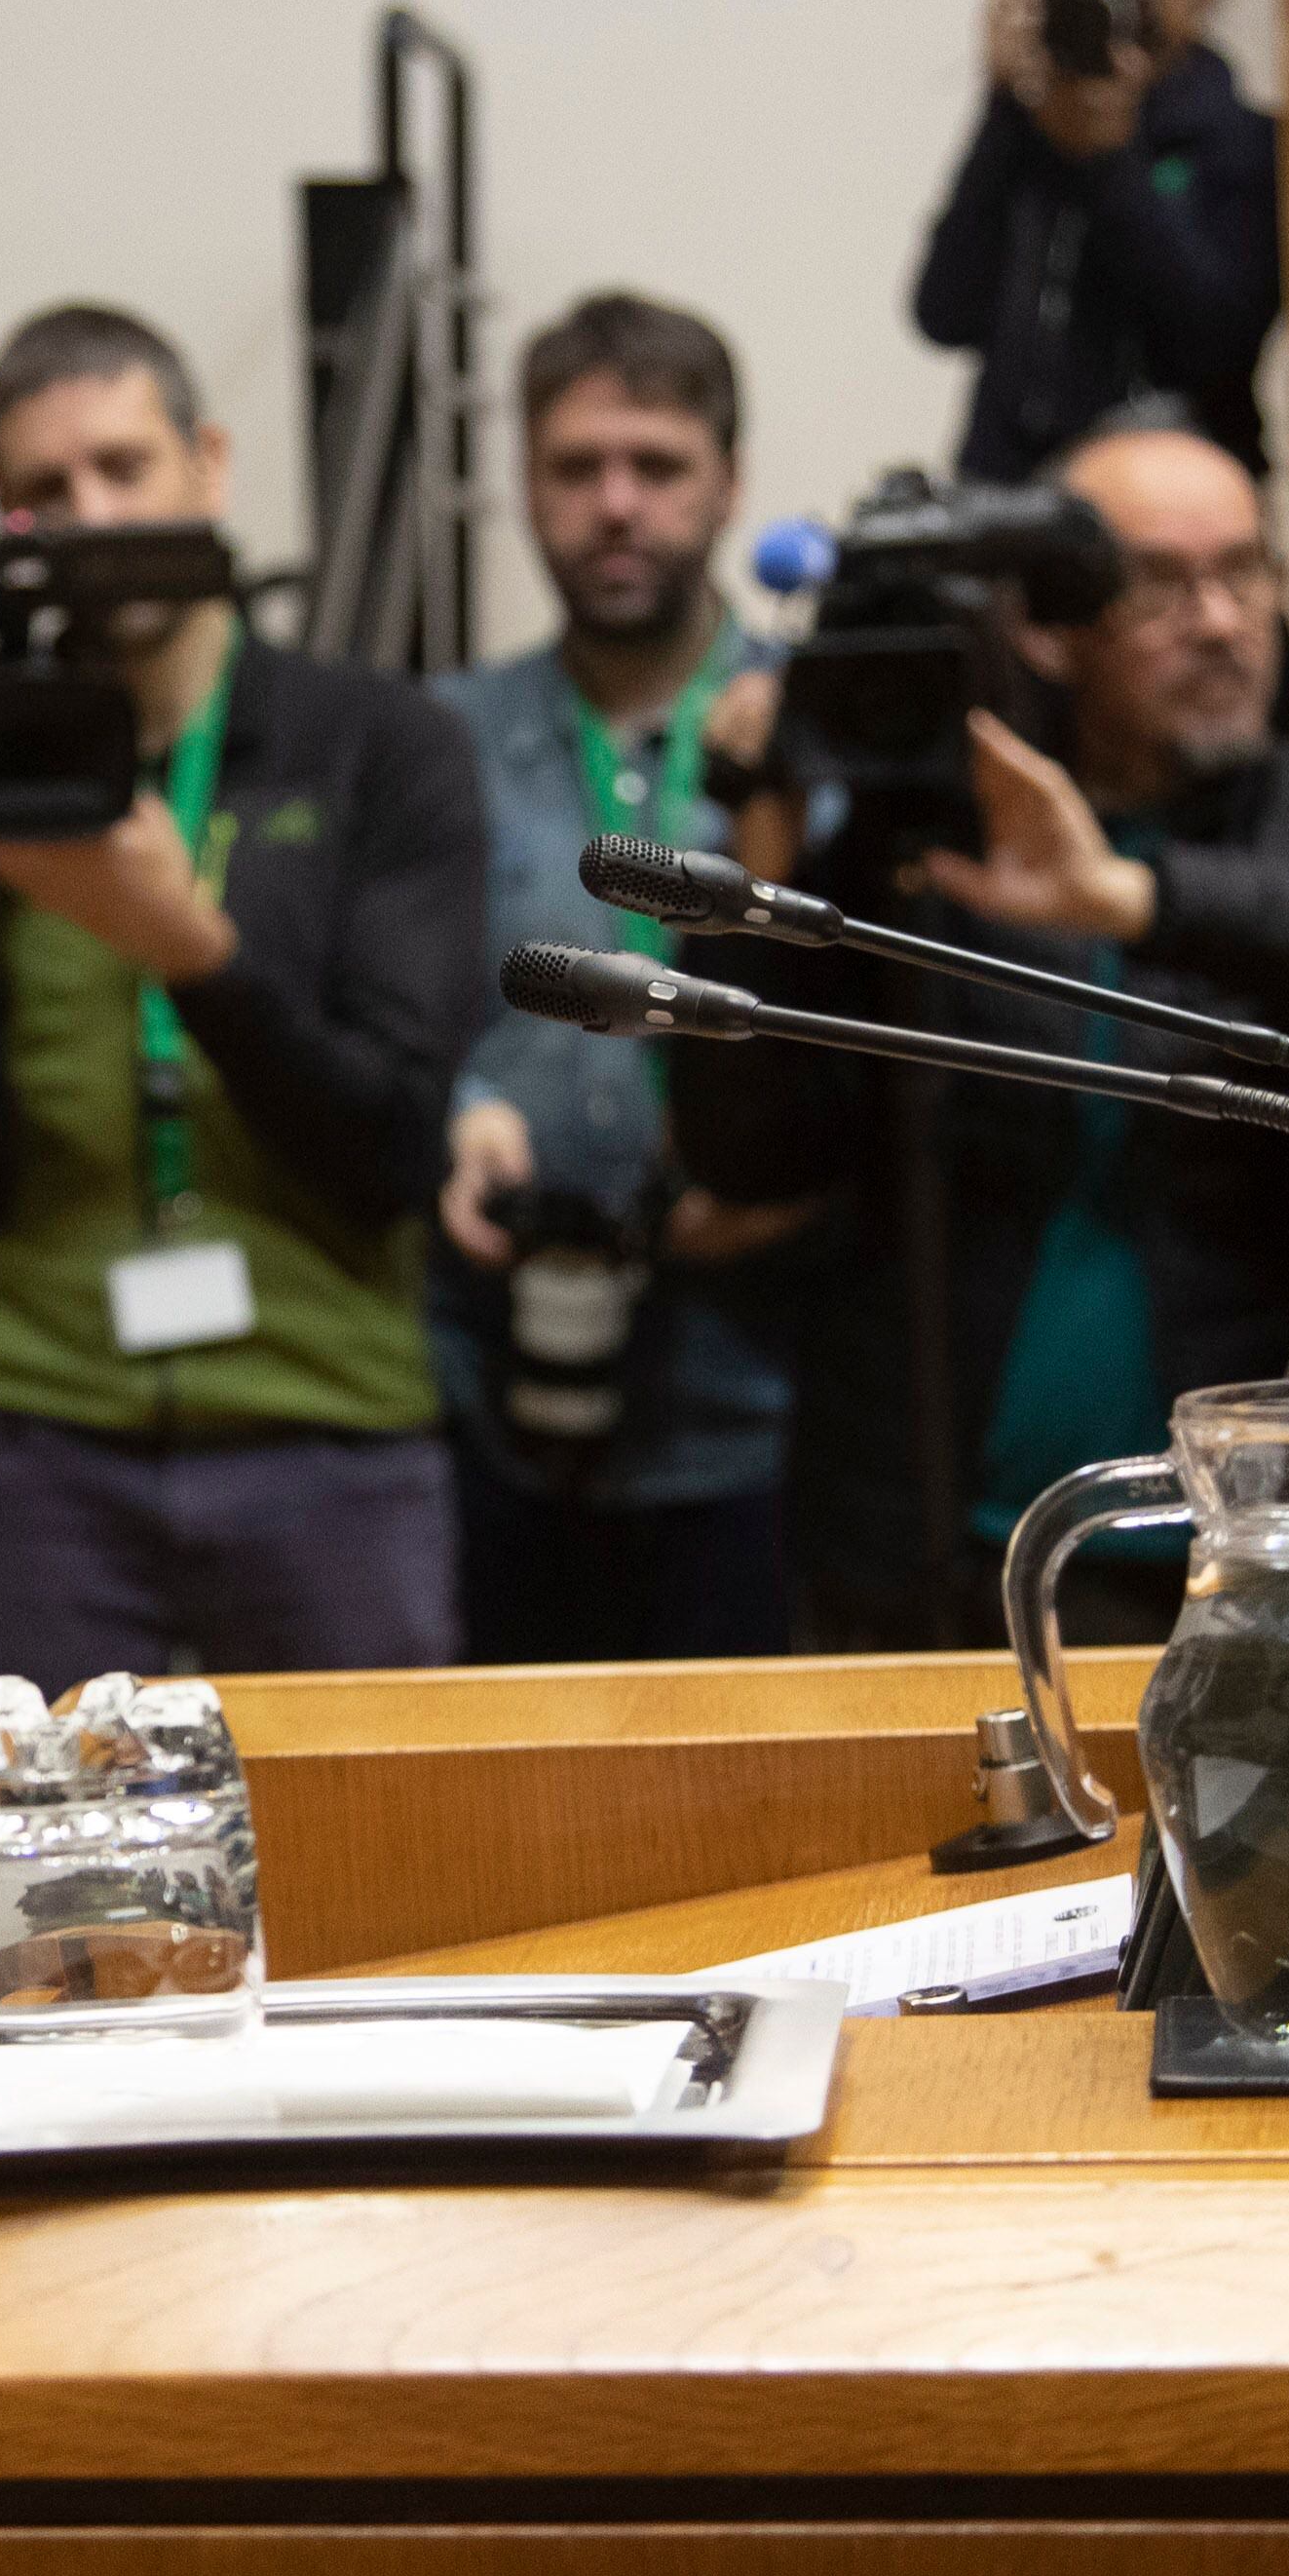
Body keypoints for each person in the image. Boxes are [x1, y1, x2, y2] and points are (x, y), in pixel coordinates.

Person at [671, 415, 1289, 1652]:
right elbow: (751, 1153)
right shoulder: (936, 831)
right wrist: (755, 857)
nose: (1220, 622)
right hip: (927, 1549)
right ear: (1050, 624)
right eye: (1161, 584)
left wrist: (1135, 900)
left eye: (1244, 571)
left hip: (1236, 1559)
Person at [0, 305, 487, 1690]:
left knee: (379, 1884)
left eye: (123, 467)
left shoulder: (378, 744)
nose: (91, 515)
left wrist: (185, 946)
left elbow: (390, 1149)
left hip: (328, 1433)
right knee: (27, 1895)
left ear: (209, 460)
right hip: (33, 1436)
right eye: (44, 492)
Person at [432, 292, 812, 1662]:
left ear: (726, 485)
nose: (614, 504)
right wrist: (451, 1113)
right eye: (575, 465)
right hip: (486, 1373)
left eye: (654, 465)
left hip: (768, 1383)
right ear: (523, 485)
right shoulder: (439, 738)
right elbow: (387, 996)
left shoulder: (813, 719)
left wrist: (786, 1176)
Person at [912, 0, 1283, 484]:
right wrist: (1002, 106)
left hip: (1179, 504)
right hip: (1016, 499)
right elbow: (944, 314)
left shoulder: (1244, 141)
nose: (1117, 15)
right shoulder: (1030, 131)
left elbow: (1217, 344)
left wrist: (1112, 162)